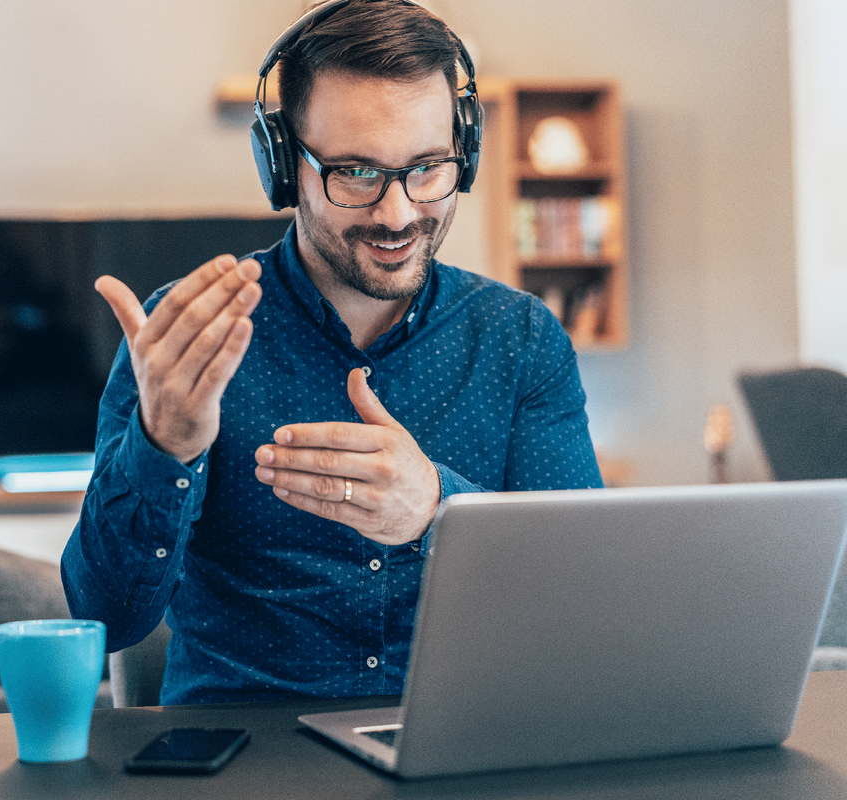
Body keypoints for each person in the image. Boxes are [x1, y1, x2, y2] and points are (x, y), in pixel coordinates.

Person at [61, 0, 603, 705]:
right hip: (248, 761)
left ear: (462, 154)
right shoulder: (182, 336)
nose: (400, 213)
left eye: (428, 167)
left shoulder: (522, 340)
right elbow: (102, 621)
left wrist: (441, 510)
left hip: (462, 748)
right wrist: (165, 444)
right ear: (284, 164)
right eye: (355, 172)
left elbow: (583, 600)